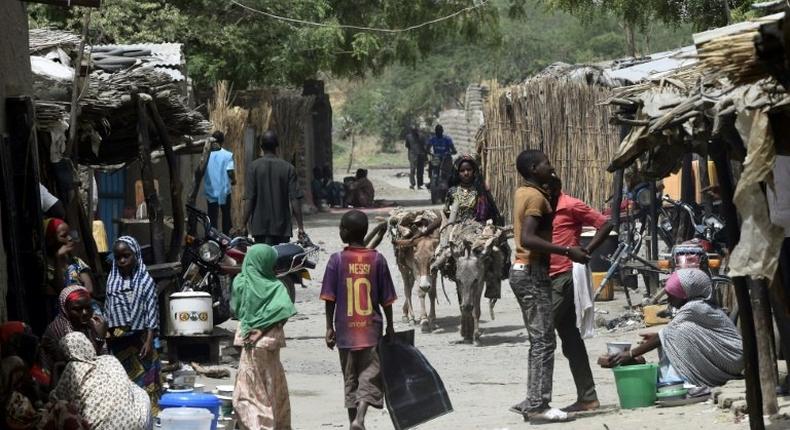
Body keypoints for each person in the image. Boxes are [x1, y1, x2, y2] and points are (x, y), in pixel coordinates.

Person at [509, 149, 589, 423]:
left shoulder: (523, 192)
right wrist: (567, 251)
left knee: (539, 341)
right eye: (546, 163)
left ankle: (533, 400)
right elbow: (530, 238)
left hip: (523, 271)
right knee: (544, 341)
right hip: (532, 271)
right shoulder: (535, 198)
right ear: (533, 168)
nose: (551, 166)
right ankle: (539, 406)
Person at [321, 210, 397, 430]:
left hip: (345, 331)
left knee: (350, 377)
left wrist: (328, 327)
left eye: (340, 227)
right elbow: (387, 299)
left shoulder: (336, 260)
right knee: (370, 376)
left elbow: (329, 299)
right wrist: (391, 326)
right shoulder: (377, 259)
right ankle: (360, 417)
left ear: (345, 231)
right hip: (371, 331)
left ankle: (354, 420)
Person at [608, 269, 744, 388]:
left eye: (672, 295)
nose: (669, 299)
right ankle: (674, 377)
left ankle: (678, 380)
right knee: (673, 335)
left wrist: (630, 354)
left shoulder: (694, 307)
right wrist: (659, 337)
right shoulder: (698, 305)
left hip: (732, 358)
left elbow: (669, 333)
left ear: (686, 294)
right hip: (732, 358)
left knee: (676, 333)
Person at [545, 177, 613, 413]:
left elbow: (604, 224)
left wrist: (587, 250)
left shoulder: (570, 205)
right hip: (549, 277)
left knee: (543, 334)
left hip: (565, 276)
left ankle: (539, 400)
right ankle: (587, 397)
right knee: (571, 340)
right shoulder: (541, 208)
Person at [231, 244, 297, 430]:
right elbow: (284, 312)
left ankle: (259, 425)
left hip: (248, 342)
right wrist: (264, 327)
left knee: (249, 394)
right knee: (272, 387)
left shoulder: (241, 282)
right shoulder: (277, 286)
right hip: (269, 343)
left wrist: (255, 325)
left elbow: (235, 309)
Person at [104, 236, 162, 414]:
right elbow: (108, 310)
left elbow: (151, 311)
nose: (122, 261)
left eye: (126, 256)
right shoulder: (112, 281)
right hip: (118, 341)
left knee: (146, 380)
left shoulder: (145, 281)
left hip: (141, 339)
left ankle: (149, 417)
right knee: (123, 382)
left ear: (136, 255)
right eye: (118, 257)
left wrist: (149, 341)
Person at [51, 332, 151, 430]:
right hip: (136, 423)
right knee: (136, 390)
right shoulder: (110, 359)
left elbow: (55, 399)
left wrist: (55, 368)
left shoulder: (72, 368)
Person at [443, 155, 509, 300]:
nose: (466, 173)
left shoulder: (481, 190)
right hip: (457, 228)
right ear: (457, 172)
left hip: (479, 227)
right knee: (444, 253)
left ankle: (493, 285)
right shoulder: (452, 191)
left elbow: (490, 210)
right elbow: (447, 211)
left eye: (469, 169)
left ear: (474, 171)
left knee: (496, 252)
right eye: (462, 170)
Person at [243, 130, 306, 246]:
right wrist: (301, 227)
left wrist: (243, 225)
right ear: (277, 146)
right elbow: (294, 200)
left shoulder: (253, 168)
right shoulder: (288, 168)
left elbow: (249, 199)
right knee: (280, 260)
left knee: (263, 260)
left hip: (259, 227)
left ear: (261, 147)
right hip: (281, 228)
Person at [40, 285, 107, 377]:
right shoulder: (58, 329)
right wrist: (100, 338)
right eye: (77, 309)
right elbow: (81, 364)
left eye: (88, 307)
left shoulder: (92, 324)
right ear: (65, 310)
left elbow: (103, 358)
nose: (84, 312)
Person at [44, 218, 95, 320]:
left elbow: (89, 289)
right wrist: (57, 258)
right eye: (64, 236)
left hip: (82, 311)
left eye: (69, 234)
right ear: (51, 239)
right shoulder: (47, 267)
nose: (70, 238)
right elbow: (60, 288)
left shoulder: (76, 261)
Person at [204, 130, 236, 234]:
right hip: (224, 191)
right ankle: (226, 238)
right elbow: (230, 171)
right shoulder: (227, 155)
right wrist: (234, 180)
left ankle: (213, 239)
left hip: (211, 190)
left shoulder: (206, 155)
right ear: (222, 141)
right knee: (226, 215)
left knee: (212, 217)